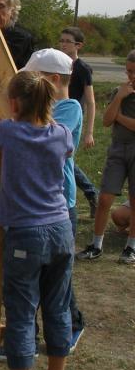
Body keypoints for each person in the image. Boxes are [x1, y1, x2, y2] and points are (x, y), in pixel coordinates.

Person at [0, 70, 74, 370]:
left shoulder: (7, 130)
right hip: (61, 229)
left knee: (20, 315)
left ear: (15, 103)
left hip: (26, 235)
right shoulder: (62, 133)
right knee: (58, 307)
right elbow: (65, 152)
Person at [24, 48, 85, 352]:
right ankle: (34, 335)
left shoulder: (69, 107)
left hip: (62, 203)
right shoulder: (38, 110)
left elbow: (42, 137)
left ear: (54, 80)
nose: (30, 86)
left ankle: (72, 325)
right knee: (41, 275)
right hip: (41, 203)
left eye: (35, 79)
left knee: (58, 276)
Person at [76, 50, 135, 264]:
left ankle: (130, 248)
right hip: (118, 149)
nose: (131, 76)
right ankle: (96, 245)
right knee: (104, 198)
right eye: (128, 71)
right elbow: (107, 120)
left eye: (134, 72)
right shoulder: (118, 91)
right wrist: (119, 98)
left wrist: (120, 116)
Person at [59, 27, 98, 218]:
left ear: (78, 45)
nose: (63, 44)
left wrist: (89, 132)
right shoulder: (58, 63)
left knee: (65, 158)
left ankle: (90, 193)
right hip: (58, 114)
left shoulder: (82, 68)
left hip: (72, 118)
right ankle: (91, 193)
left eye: (67, 41)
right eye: (61, 40)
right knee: (64, 159)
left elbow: (91, 101)